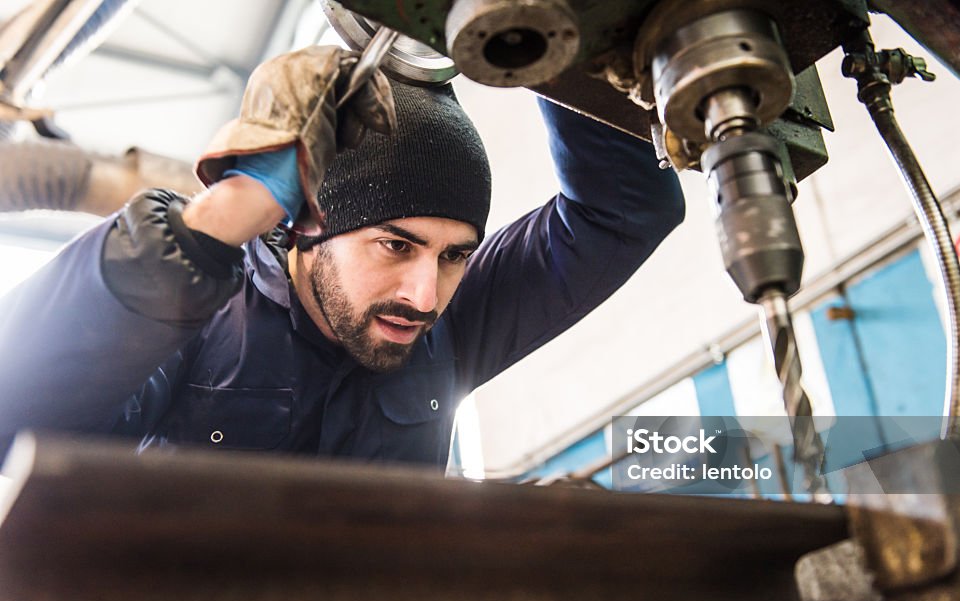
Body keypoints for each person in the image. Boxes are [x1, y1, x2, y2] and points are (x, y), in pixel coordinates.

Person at [0, 45, 685, 470]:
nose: (423, 295)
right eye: (395, 245)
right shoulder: (194, 320)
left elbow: (623, 212)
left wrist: (563, 51)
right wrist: (211, 225)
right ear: (308, 227)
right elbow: (16, 417)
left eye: (454, 257)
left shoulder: (447, 332)